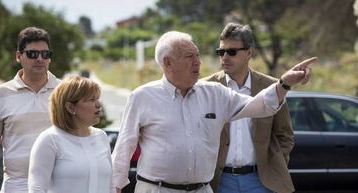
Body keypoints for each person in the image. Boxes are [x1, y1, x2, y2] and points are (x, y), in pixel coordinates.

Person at [111, 31, 316, 193]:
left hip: (203, 189)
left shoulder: (215, 93)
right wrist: (115, 186)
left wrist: (284, 83)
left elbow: (259, 105)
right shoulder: (142, 97)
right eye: (189, 56)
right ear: (167, 63)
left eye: (198, 55)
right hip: (155, 189)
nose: (198, 62)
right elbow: (123, 149)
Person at [203, 23, 294, 193]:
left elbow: (285, 133)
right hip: (219, 181)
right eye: (221, 52)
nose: (225, 57)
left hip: (260, 180)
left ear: (249, 53)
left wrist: (275, 164)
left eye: (231, 52)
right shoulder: (206, 87)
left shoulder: (272, 87)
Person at [0, 27, 61, 193]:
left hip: (59, 185)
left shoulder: (64, 91)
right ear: (19, 56)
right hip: (15, 187)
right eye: (32, 54)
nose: (40, 59)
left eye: (45, 54)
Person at [28, 76, 113, 193]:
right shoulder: (50, 139)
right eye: (91, 100)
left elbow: (110, 185)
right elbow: (37, 189)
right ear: (70, 107)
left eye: (97, 98)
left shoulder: (101, 137)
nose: (98, 104)